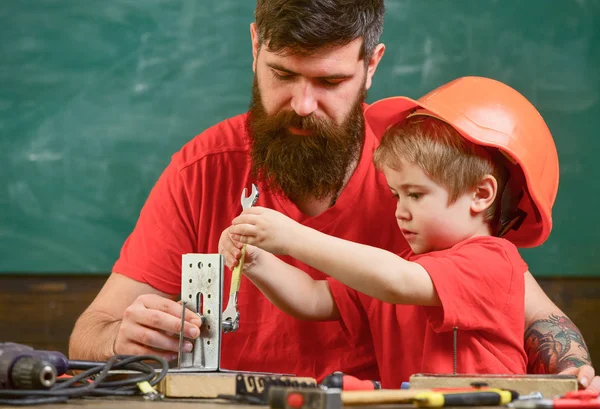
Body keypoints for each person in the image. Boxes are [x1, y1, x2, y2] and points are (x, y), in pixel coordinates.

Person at [69, 0, 598, 389]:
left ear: (372, 65)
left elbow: (535, 316)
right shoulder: (201, 170)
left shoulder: (428, 182)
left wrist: (576, 375)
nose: (302, 104)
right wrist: (121, 339)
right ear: (254, 47)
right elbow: (88, 336)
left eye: (329, 82)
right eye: (282, 74)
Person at [223, 76, 551, 387]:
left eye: (416, 195)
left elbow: (400, 281)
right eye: (397, 195)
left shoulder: (492, 262)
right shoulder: (399, 268)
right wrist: (254, 261)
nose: (400, 210)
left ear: (481, 195)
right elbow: (312, 298)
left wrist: (292, 236)